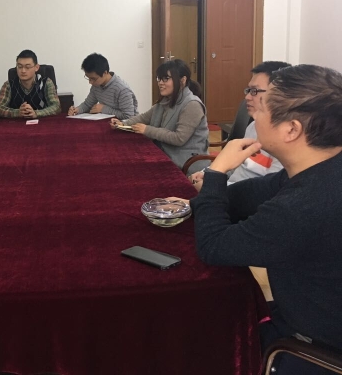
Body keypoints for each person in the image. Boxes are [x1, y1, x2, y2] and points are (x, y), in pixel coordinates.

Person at [191, 65, 342, 374]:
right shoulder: (321, 168)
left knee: (198, 333)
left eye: (263, 107)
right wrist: (198, 202)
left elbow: (213, 246)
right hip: (316, 314)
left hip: (312, 346)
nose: (254, 114)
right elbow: (249, 195)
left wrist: (217, 172)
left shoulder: (303, 206)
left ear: (291, 130)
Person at [188, 61, 291, 191]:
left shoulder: (285, 142)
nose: (247, 97)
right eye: (248, 90)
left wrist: (213, 187)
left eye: (254, 91)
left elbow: (266, 193)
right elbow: (237, 167)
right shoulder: (253, 126)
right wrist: (207, 174)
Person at [110, 59, 208, 169]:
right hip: (164, 153)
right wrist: (122, 123)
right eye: (159, 78)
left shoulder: (192, 104)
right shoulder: (166, 100)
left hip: (186, 162)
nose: (160, 83)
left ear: (182, 80)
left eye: (166, 79)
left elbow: (179, 138)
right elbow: (145, 117)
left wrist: (147, 130)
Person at [0, 49, 61, 119]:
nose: (23, 71)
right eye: (20, 67)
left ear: (36, 67)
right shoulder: (9, 85)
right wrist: (17, 113)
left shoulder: (46, 83)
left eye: (27, 67)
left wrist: (36, 113)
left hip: (42, 123)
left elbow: (56, 107)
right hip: (16, 123)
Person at [67, 53, 138, 119]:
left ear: (104, 73)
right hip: (109, 122)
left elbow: (128, 116)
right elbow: (87, 104)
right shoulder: (96, 85)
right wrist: (77, 109)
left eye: (93, 79)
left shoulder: (122, 89)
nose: (90, 82)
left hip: (127, 125)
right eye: (88, 78)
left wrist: (103, 109)